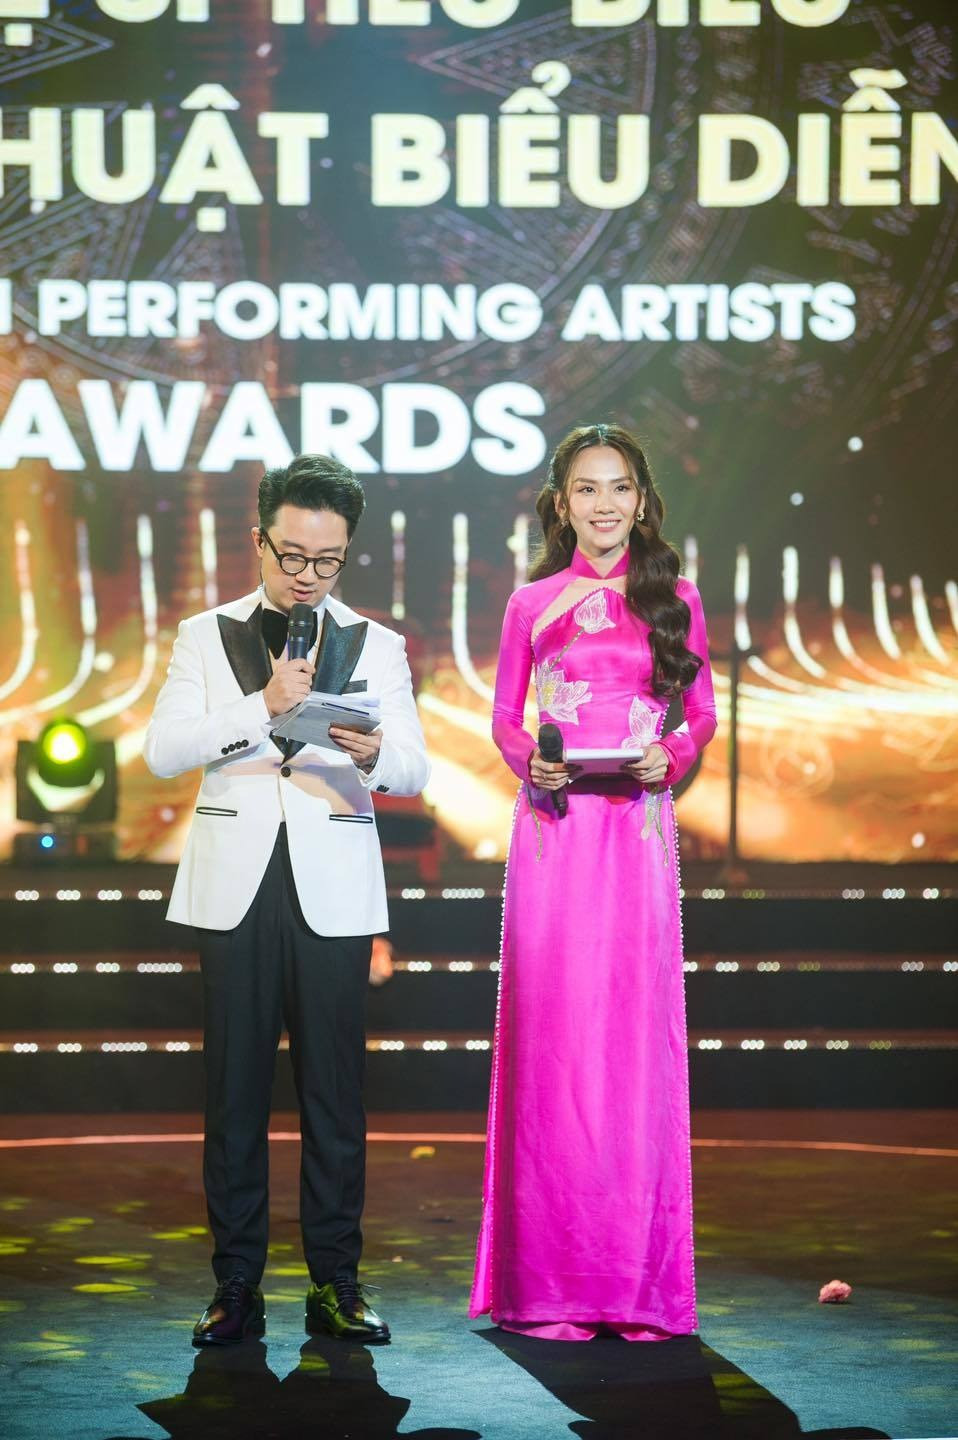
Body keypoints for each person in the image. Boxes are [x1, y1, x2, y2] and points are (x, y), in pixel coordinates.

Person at [145, 454, 430, 1347]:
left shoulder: (377, 643)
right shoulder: (204, 634)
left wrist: (374, 752)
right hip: (235, 882)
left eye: (327, 560)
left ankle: (336, 1281)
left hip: (332, 885)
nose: (308, 575)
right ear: (260, 540)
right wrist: (261, 704)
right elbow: (163, 750)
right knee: (233, 1092)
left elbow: (415, 765)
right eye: (293, 556)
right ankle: (235, 1284)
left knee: (333, 1093)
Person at [469, 422, 716, 1341]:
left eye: (619, 487)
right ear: (561, 504)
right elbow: (506, 715)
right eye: (586, 488)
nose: (604, 504)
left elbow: (700, 713)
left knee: (630, 1047)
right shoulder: (532, 602)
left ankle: (635, 1288)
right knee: (554, 1044)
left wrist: (671, 756)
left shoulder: (675, 597)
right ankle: (549, 1288)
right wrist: (530, 762)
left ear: (641, 500)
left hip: (635, 832)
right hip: (556, 833)